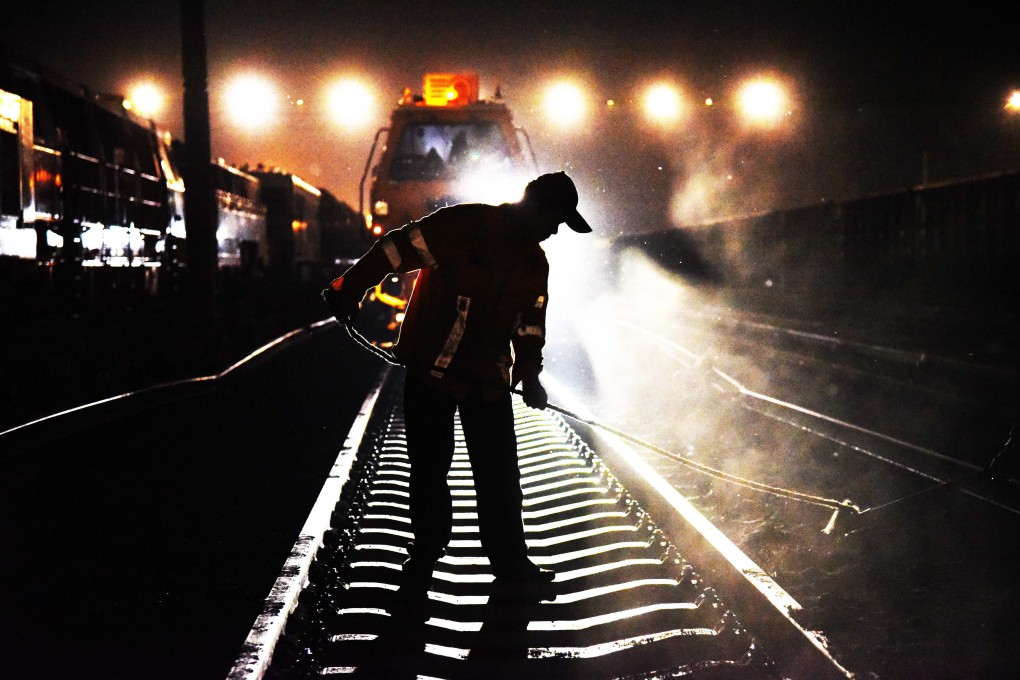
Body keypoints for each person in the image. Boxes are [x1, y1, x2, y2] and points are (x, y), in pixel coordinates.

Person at [322, 172, 592, 597]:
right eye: (556, 220)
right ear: (537, 207)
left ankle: (511, 566)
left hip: (486, 381)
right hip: (432, 373)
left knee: (500, 475)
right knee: (430, 470)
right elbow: (395, 252)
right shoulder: (462, 226)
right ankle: (425, 557)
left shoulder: (534, 263)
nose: (556, 231)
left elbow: (529, 326)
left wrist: (531, 373)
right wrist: (349, 288)